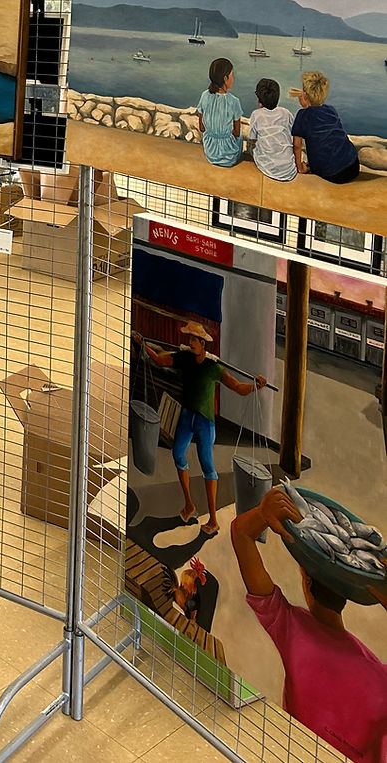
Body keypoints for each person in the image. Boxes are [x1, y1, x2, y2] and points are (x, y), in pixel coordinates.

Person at [230, 485, 387, 763]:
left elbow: (241, 535)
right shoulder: (378, 673)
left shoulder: (290, 628)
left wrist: (263, 514)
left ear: (306, 580)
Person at [133, 321, 266, 536]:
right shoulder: (184, 358)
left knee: (206, 464)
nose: (190, 342)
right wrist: (143, 344)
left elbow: (238, 388)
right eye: (190, 339)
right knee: (178, 454)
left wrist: (255, 386)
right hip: (187, 415)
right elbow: (159, 360)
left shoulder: (213, 368)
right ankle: (189, 505)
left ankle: (213, 519)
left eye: (194, 339)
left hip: (205, 420)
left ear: (203, 343)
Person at [291, 70, 360, 183]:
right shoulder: (331, 110)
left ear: (305, 95)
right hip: (352, 165)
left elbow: (297, 146)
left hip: (331, 173)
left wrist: (300, 167)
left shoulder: (302, 115)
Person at [247, 77, 297, 181]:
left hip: (267, 168)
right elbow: (293, 133)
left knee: (252, 147)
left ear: (259, 99)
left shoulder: (256, 115)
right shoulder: (286, 113)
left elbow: (252, 139)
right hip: (288, 169)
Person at [196, 57, 243, 167]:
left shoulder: (204, 96)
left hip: (210, 153)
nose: (233, 79)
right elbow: (236, 132)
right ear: (225, 78)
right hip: (229, 157)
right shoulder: (234, 101)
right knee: (240, 135)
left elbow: (202, 128)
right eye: (232, 76)